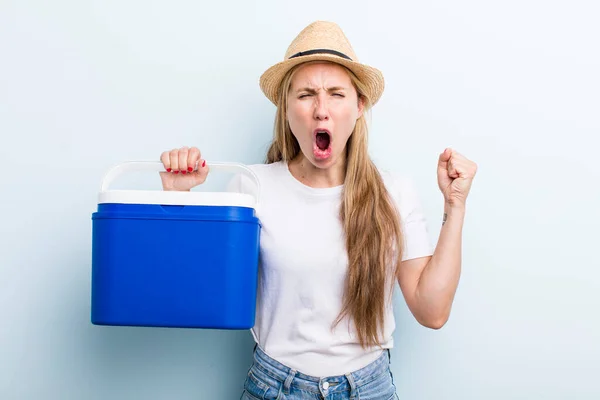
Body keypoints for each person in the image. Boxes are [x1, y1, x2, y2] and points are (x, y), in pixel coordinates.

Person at [159, 21, 477, 400]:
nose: (321, 110)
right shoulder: (251, 187)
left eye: (336, 94)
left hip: (370, 389)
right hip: (273, 387)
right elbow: (201, 292)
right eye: (306, 94)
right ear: (286, 109)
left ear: (359, 106)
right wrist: (176, 204)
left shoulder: (395, 191)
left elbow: (432, 311)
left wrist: (454, 205)